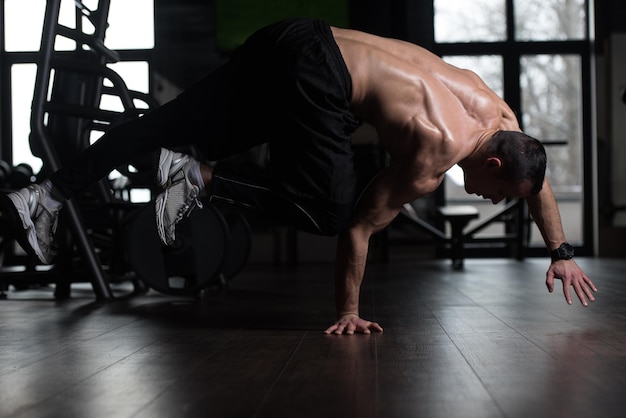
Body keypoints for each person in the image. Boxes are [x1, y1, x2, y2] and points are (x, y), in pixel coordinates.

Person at [0, 18, 597, 334]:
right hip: (320, 79)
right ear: (493, 164)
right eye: (499, 193)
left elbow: (533, 178)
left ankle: (46, 194)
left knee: (168, 125)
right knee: (333, 209)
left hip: (293, 37)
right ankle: (201, 179)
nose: (493, 199)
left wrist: (560, 249)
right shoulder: (436, 154)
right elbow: (358, 231)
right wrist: (348, 310)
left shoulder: (498, 114)